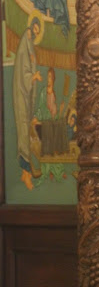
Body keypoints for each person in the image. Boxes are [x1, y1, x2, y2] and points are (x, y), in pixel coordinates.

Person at [12, 16, 43, 190]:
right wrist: (33, 77)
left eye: (38, 32)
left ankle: (26, 172)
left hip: (26, 96)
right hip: (21, 96)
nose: (35, 34)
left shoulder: (29, 44)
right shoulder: (25, 45)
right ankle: (25, 174)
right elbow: (23, 73)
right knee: (23, 134)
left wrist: (33, 76)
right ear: (30, 28)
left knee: (26, 133)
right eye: (35, 31)